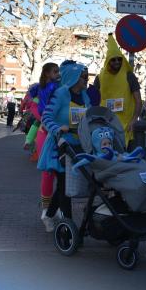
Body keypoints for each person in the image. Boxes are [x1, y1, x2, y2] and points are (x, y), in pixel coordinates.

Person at [37, 61, 90, 231]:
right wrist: (58, 129)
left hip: (80, 147)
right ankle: (69, 226)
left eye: (86, 77)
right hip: (61, 146)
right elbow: (46, 118)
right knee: (64, 185)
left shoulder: (85, 96)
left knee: (66, 185)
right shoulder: (60, 94)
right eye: (83, 77)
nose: (85, 81)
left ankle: (49, 214)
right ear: (74, 78)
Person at [94, 34, 142, 149]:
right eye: (113, 59)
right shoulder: (100, 78)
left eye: (119, 59)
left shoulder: (129, 76)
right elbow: (93, 102)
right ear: (107, 61)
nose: (117, 62)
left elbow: (138, 101)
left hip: (125, 126)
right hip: (105, 125)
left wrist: (134, 120)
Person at [34, 63, 60, 212]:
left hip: (46, 128)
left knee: (52, 173)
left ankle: (48, 206)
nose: (58, 74)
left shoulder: (39, 88)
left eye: (58, 71)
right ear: (47, 73)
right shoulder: (55, 87)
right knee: (49, 172)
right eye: (55, 71)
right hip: (47, 130)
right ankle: (47, 207)